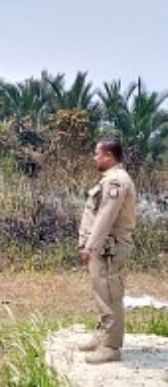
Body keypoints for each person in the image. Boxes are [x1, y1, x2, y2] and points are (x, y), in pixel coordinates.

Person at [77, 139, 136, 364]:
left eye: (97, 154)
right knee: (102, 293)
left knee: (111, 294)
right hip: (104, 247)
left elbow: (106, 216)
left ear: (109, 156)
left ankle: (111, 346)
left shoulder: (116, 181)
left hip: (110, 247)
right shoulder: (109, 179)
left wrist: (90, 246)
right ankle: (103, 336)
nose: (94, 158)